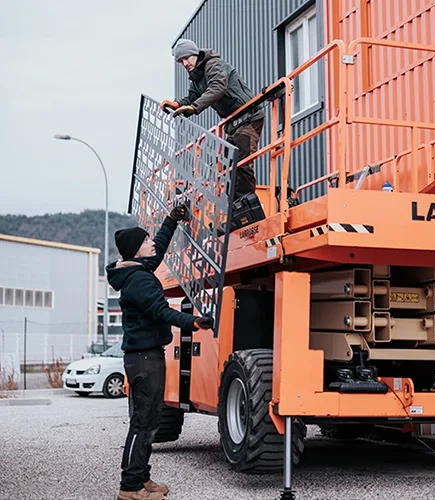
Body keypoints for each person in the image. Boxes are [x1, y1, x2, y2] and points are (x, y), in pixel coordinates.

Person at [106, 204, 213, 500]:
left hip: (146, 356)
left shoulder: (136, 270)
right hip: (143, 359)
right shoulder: (139, 280)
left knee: (150, 420)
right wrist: (193, 322)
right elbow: (160, 310)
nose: (151, 242)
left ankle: (142, 478)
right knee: (142, 423)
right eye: (146, 241)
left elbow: (160, 249)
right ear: (136, 250)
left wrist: (171, 220)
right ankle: (130, 487)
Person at [161, 38, 265, 202]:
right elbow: (192, 97)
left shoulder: (212, 64)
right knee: (227, 166)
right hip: (234, 124)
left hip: (249, 116)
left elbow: (218, 86)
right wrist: (176, 104)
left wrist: (195, 108)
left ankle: (247, 207)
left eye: (187, 58)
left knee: (242, 163)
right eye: (181, 61)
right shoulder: (196, 77)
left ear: (195, 53)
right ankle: (234, 207)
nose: (185, 63)